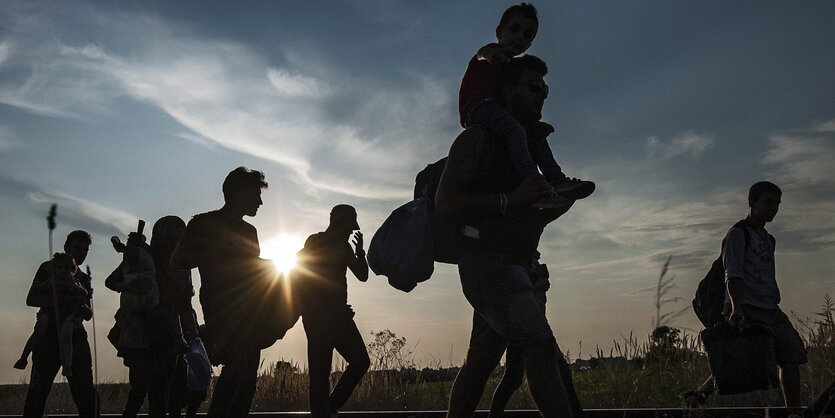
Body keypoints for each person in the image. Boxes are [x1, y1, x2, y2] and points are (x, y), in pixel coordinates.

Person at [437, 54, 577, 417]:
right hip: (487, 264)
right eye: (533, 87)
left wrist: (549, 206)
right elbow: (446, 202)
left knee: (481, 361)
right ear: (508, 89)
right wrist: (509, 200)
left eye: (545, 89)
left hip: (515, 264)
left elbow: (526, 212)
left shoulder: (527, 149)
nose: (542, 95)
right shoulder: (478, 139)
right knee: (540, 347)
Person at [683, 182, 807, 408]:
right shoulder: (738, 234)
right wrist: (736, 307)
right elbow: (733, 274)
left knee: (791, 355)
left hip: (770, 307)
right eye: (768, 202)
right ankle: (700, 395)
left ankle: (794, 410)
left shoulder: (768, 239)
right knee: (746, 357)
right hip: (747, 306)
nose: (774, 208)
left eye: (777, 204)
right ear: (752, 203)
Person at [458, 3, 594, 207]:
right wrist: (491, 55)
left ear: (530, 44)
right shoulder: (492, 54)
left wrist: (534, 125)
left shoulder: (514, 69)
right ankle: (534, 184)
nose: (520, 36)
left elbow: (514, 104)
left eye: (527, 35)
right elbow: (482, 53)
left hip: (497, 110)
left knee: (532, 134)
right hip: (478, 107)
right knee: (514, 129)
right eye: (514, 29)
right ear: (499, 31)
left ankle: (556, 179)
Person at [170, 167, 276, 417]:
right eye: (255, 194)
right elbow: (177, 260)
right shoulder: (204, 222)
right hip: (222, 310)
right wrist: (215, 251)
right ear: (238, 193)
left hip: (251, 312)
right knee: (237, 365)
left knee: (248, 375)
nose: (260, 201)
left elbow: (250, 270)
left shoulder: (251, 232)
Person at [106, 216, 198, 417]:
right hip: (141, 333)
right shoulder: (145, 258)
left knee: (174, 387)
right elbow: (112, 281)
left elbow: (185, 306)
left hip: (169, 334)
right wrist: (130, 286)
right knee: (145, 386)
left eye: (180, 239)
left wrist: (194, 336)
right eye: (171, 239)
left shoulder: (183, 266)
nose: (175, 244)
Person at [296, 205, 371, 417]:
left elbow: (362, 275)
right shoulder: (314, 242)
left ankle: (328, 408)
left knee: (360, 361)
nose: (351, 231)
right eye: (349, 226)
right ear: (338, 223)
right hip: (318, 317)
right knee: (319, 374)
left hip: (339, 316)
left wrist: (360, 252)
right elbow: (300, 274)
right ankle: (321, 412)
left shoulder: (345, 247)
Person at [488, 253, 582, 417]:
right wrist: (538, 283)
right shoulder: (518, 263)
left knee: (513, 379)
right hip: (525, 327)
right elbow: (518, 290)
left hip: (535, 327)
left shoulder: (531, 263)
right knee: (516, 379)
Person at [23, 230, 98, 418]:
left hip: (75, 334)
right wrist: (63, 300)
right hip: (48, 335)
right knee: (38, 391)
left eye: (85, 250)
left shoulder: (83, 278)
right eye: (77, 248)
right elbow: (32, 298)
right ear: (66, 247)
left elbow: (88, 314)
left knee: (85, 392)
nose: (81, 253)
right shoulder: (48, 269)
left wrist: (79, 303)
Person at [14, 253, 89, 377]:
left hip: (66, 314)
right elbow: (38, 290)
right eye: (60, 268)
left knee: (67, 338)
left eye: (67, 267)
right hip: (50, 312)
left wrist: (76, 293)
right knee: (37, 333)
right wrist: (41, 288)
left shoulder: (74, 282)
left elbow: (83, 293)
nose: (64, 270)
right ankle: (23, 357)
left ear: (72, 270)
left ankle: (67, 366)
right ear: (55, 270)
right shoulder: (51, 280)